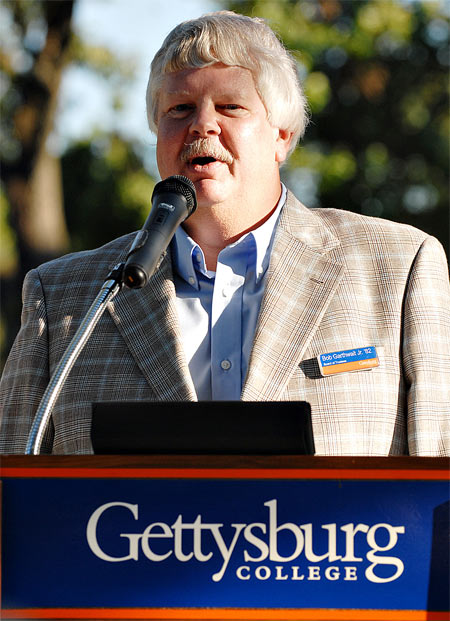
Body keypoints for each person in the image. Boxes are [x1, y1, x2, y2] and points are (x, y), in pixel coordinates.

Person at [0, 11, 449, 456]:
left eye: (230, 106)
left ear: (281, 134)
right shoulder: (65, 297)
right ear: (157, 132)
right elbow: (13, 495)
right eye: (179, 109)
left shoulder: (398, 268)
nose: (202, 124)